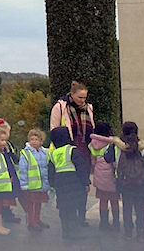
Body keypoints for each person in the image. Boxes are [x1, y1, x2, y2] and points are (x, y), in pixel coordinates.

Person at [50, 81, 95, 225]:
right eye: (80, 97)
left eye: (85, 98)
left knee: (84, 183)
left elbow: (90, 129)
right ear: (72, 94)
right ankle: (70, 216)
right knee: (71, 185)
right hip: (68, 149)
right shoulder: (60, 107)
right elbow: (54, 129)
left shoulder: (88, 108)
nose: (83, 101)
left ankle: (81, 216)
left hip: (85, 149)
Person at [106, 121, 144, 241]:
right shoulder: (142, 146)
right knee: (140, 209)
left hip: (124, 181)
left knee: (127, 208)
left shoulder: (116, 146)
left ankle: (128, 232)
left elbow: (107, 158)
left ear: (122, 131)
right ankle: (141, 233)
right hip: (140, 182)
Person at [47, 126, 90, 241]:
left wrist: (52, 184)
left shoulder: (53, 153)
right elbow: (81, 167)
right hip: (73, 181)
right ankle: (74, 232)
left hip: (60, 183)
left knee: (64, 208)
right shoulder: (72, 150)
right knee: (73, 207)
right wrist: (86, 183)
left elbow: (50, 171)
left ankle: (65, 231)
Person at [18, 128, 50, 231]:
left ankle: (37, 219)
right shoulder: (26, 153)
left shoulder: (44, 153)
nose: (34, 141)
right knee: (31, 204)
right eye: (32, 139)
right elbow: (22, 169)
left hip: (41, 184)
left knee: (39, 203)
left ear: (41, 141)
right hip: (31, 185)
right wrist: (24, 184)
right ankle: (31, 222)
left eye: (36, 139)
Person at [89, 122, 119, 230]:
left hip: (99, 174)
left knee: (103, 200)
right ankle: (116, 223)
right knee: (114, 200)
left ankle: (103, 223)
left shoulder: (92, 144)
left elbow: (92, 161)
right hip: (111, 176)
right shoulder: (112, 144)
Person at [0, 118, 23, 225]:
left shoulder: (8, 145)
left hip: (10, 169)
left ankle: (7, 211)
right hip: (3, 173)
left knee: (10, 192)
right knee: (4, 194)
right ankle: (4, 213)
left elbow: (13, 157)